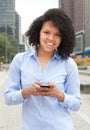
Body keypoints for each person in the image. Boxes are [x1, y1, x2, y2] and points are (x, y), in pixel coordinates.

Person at [4, 8, 82, 130]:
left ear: (63, 39)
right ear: (38, 32)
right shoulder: (20, 60)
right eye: (46, 32)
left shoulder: (69, 64)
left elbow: (77, 104)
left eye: (57, 35)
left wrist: (59, 95)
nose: (51, 38)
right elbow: (8, 98)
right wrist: (27, 91)